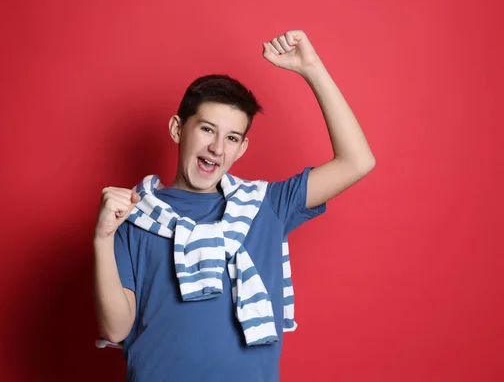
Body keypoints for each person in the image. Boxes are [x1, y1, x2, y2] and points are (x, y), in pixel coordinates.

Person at [93, 29, 375, 382]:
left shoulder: (265, 207)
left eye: (231, 138)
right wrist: (103, 237)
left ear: (241, 148)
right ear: (178, 129)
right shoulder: (135, 216)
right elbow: (116, 329)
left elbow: (356, 161)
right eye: (207, 130)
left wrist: (312, 68)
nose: (217, 148)